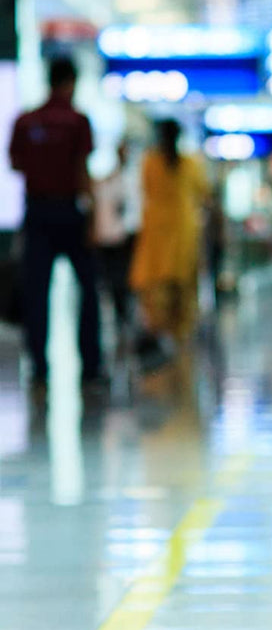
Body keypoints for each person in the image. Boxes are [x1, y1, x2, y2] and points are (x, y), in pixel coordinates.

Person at [7, 55, 105, 392]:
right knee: (88, 292)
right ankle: (90, 367)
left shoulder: (25, 120)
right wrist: (92, 219)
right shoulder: (78, 121)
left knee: (37, 294)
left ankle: (39, 367)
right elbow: (82, 171)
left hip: (37, 213)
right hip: (70, 212)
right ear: (71, 83)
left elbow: (16, 164)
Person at [128, 118, 210, 347]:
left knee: (157, 288)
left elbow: (144, 190)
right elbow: (204, 194)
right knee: (182, 288)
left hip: (158, 233)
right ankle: (179, 335)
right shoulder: (191, 164)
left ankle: (162, 335)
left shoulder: (150, 163)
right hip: (183, 233)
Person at [92, 137, 140, 353]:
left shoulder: (131, 180)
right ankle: (119, 320)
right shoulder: (107, 181)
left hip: (123, 239)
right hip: (107, 240)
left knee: (122, 283)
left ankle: (125, 320)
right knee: (109, 283)